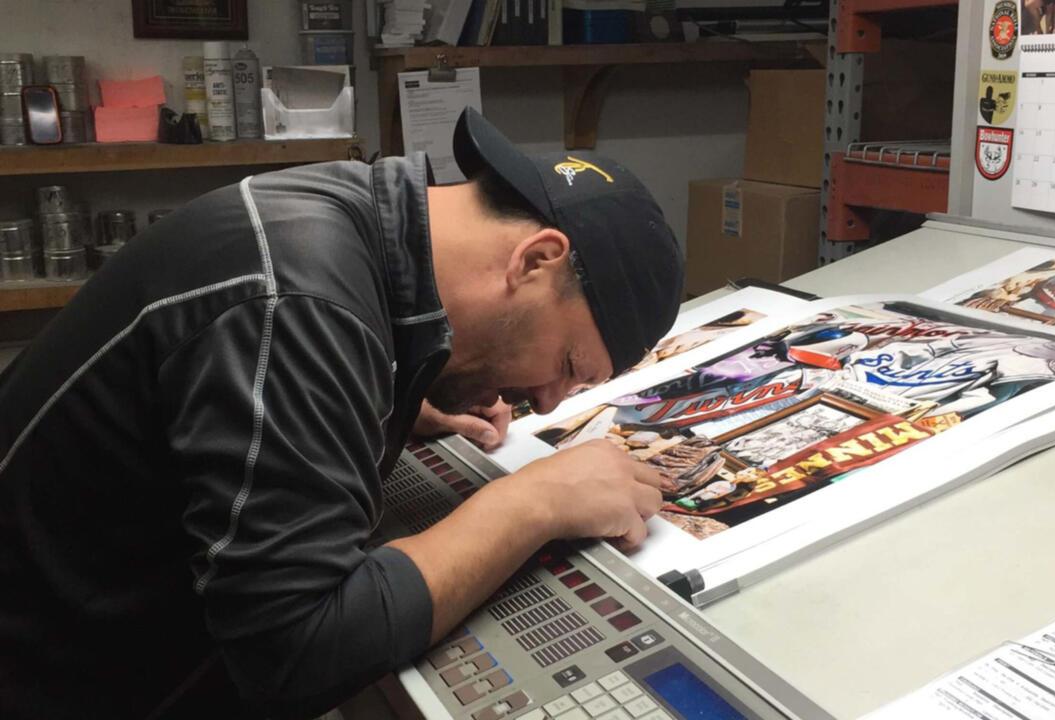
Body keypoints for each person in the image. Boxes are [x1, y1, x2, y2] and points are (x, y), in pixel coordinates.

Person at [0, 108, 683, 718]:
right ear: (535, 260)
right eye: (567, 367)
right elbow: (296, 652)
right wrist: (533, 502)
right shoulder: (299, 301)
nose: (546, 402)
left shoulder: (352, 218)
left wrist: (371, 400)